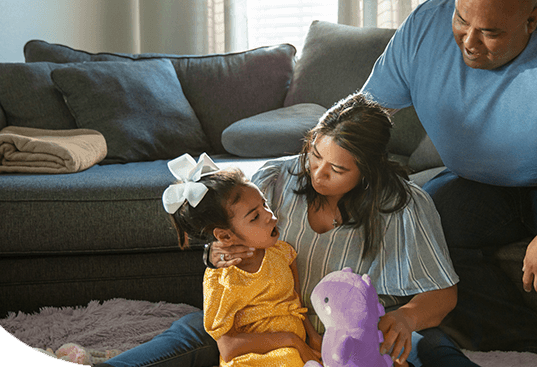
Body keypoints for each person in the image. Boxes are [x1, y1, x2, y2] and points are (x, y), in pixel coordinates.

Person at [359, 0, 537, 366]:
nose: (469, 41)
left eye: (491, 32)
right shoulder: (423, 27)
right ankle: (534, 348)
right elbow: (366, 114)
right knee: (419, 227)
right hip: (481, 182)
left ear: (532, 19)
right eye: (461, 21)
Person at [98, 93, 471, 367]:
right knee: (193, 331)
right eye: (315, 154)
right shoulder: (279, 178)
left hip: (358, 334)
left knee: (430, 347)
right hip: (267, 322)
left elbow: (443, 293)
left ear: (368, 172)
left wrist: (406, 317)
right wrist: (213, 255)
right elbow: (226, 227)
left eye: (337, 170)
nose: (318, 173)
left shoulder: (404, 205)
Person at [161, 153, 321, 366]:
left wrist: (313, 337)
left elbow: (297, 304)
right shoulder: (223, 278)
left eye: (265, 204)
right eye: (255, 217)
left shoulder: (283, 252)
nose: (270, 216)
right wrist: (292, 341)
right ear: (226, 236)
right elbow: (228, 348)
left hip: (294, 353)